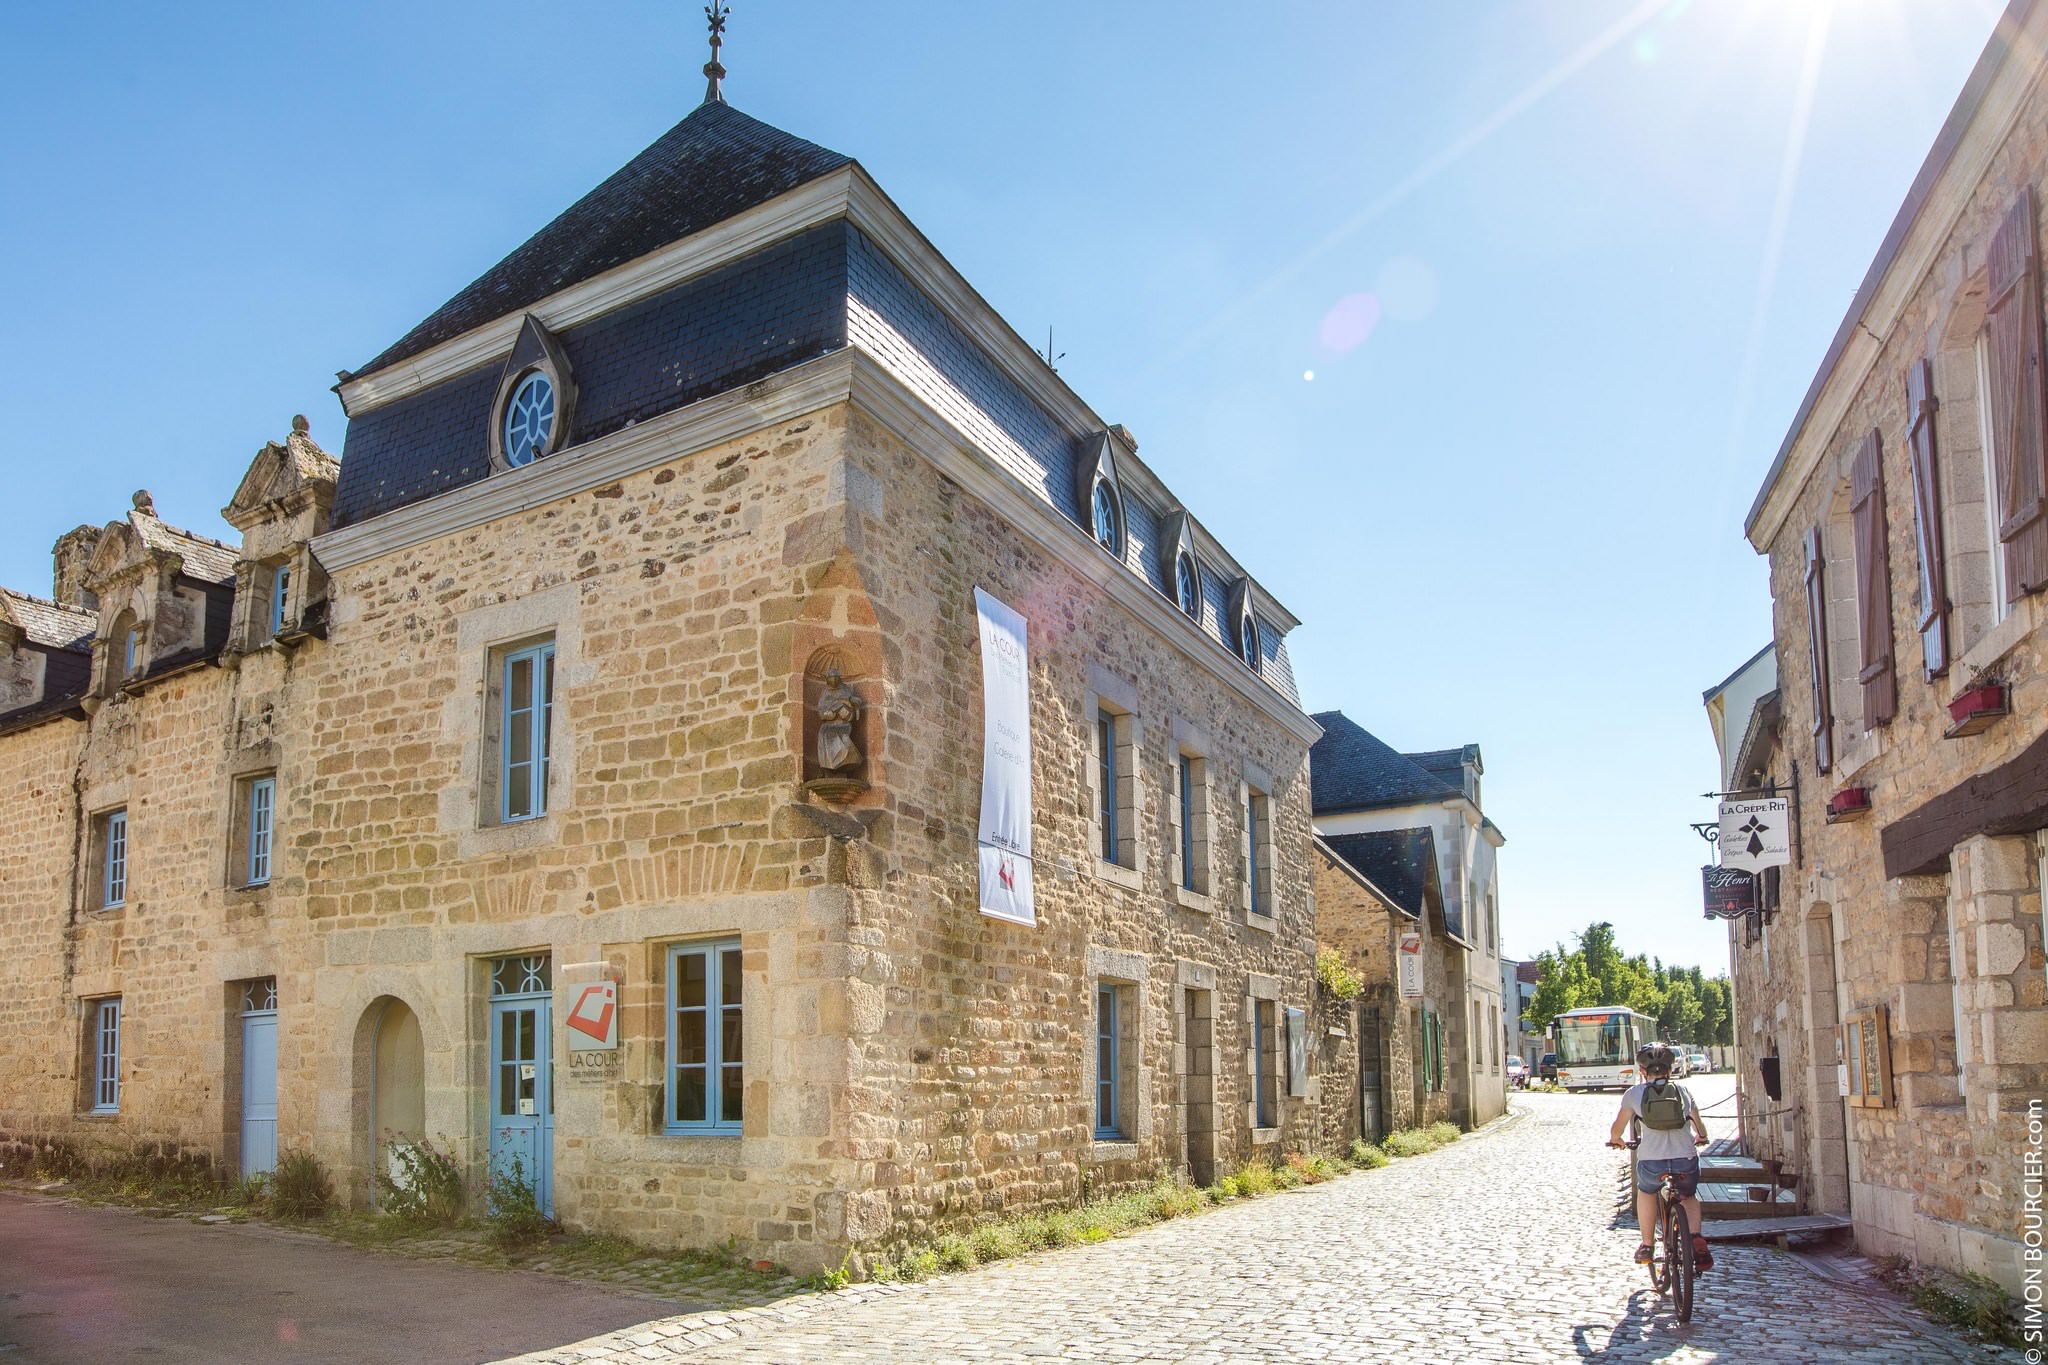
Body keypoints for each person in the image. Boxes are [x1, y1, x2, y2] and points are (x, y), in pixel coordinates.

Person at [1606, 1042, 1713, 1272]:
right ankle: (1695, 1237)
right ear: (1670, 1069)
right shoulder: (1683, 1091)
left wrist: (1617, 1140)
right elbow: (1698, 1125)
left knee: (1646, 1192)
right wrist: (1701, 1137)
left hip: (1652, 1161)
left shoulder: (1634, 1094)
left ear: (1643, 1071)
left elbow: (1618, 1128)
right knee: (1688, 1195)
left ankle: (1647, 1245)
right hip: (1685, 1158)